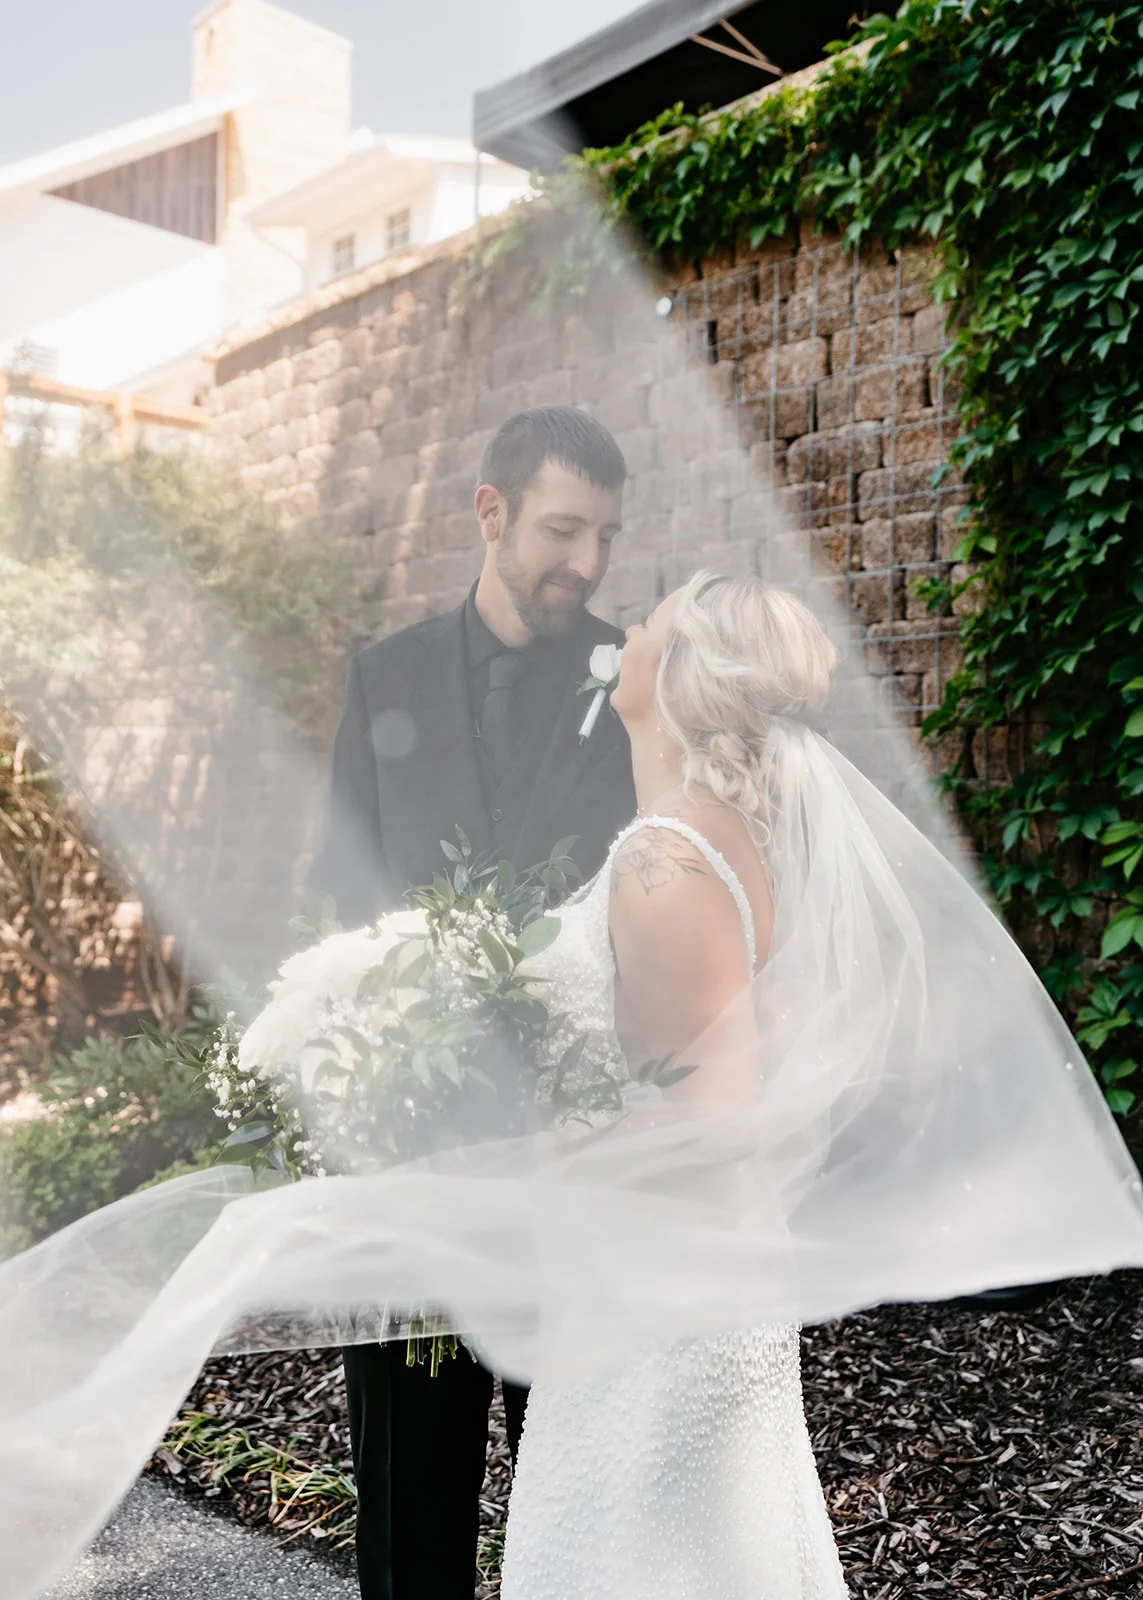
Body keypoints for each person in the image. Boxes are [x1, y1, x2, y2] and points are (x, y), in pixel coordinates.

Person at [308, 404, 638, 1600]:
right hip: (415, 1161)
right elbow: (335, 900)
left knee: (589, 1502)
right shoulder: (382, 676)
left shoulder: (632, 681)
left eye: (607, 535)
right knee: (410, 1513)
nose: (588, 563)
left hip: (579, 1160)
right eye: (564, 529)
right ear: (490, 514)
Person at [498, 572, 849, 1598]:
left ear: (687, 676)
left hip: (660, 1288)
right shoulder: (722, 836)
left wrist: (530, 1164)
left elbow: (715, 1111)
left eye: (651, 619)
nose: (630, 628)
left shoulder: (666, 856)